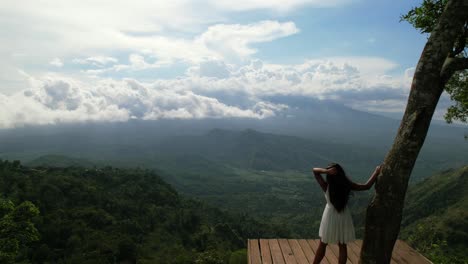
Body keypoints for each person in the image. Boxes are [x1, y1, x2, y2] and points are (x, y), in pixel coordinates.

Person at [312, 163, 382, 264]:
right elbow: (366, 186)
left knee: (323, 243)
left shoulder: (326, 186)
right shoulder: (347, 185)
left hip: (330, 215)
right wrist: (376, 172)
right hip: (343, 215)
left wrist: (326, 171)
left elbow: (315, 171)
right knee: (342, 245)